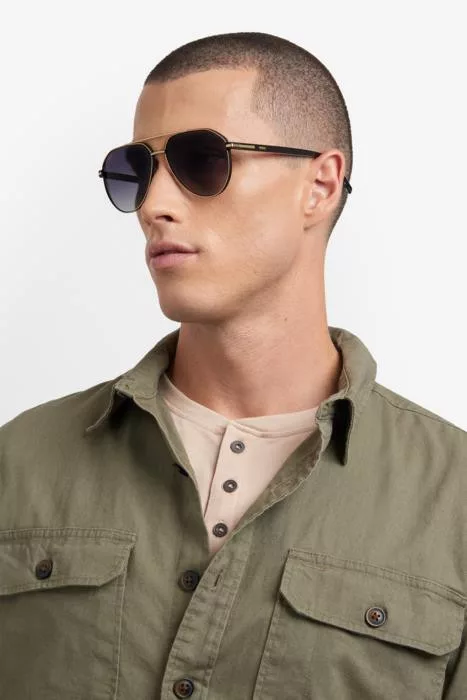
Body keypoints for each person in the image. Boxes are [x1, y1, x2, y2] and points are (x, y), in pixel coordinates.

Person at [0, 31, 465, 700]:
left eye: (202, 160)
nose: (154, 205)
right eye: (136, 170)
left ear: (319, 185)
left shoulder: (452, 503)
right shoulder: (19, 464)